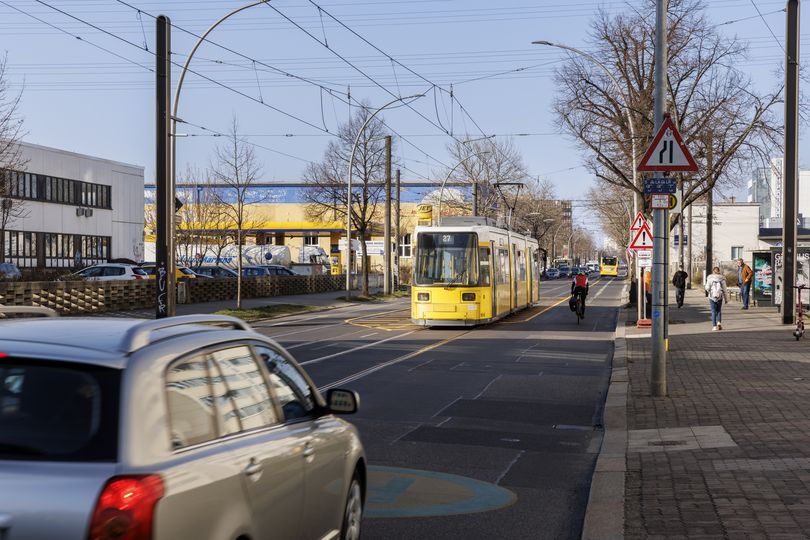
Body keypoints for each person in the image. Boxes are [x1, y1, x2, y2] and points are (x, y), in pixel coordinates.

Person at [704, 266, 729, 331]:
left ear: (713, 271)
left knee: (713, 311)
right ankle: (719, 322)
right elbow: (725, 290)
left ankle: (714, 326)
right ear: (719, 271)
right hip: (719, 296)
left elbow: (707, 288)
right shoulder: (722, 279)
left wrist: (709, 291)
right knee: (719, 310)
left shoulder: (710, 278)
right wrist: (726, 299)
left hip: (712, 296)